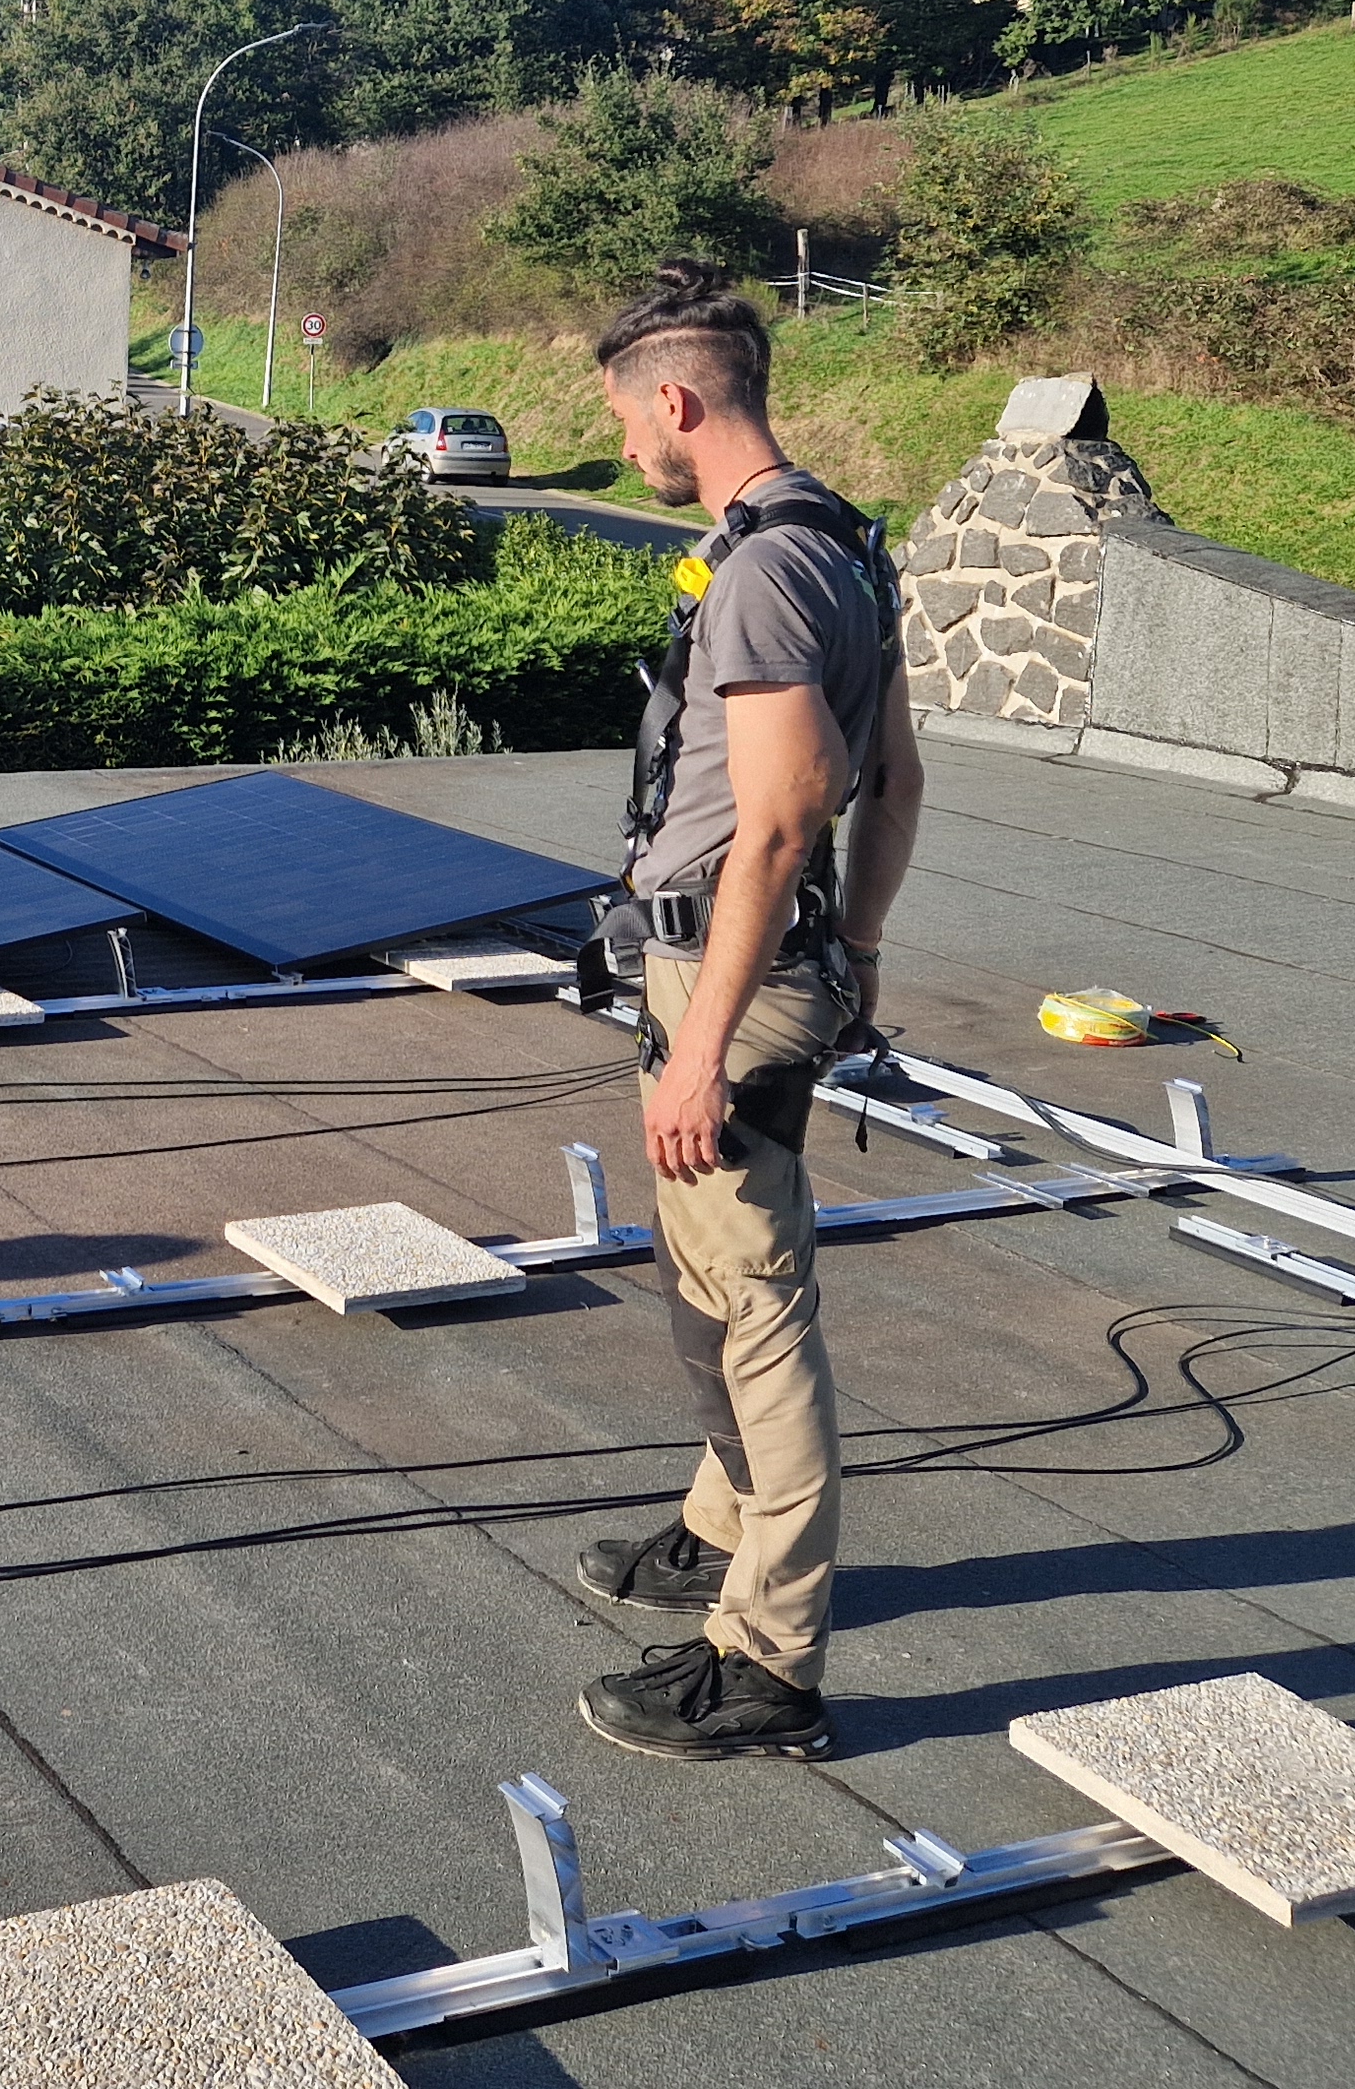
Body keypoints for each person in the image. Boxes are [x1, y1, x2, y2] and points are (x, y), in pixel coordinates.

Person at [567, 262, 922, 1763]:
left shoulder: (767, 570)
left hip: (730, 975)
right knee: (715, 1279)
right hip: (783, 965)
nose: (633, 449)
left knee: (756, 1307)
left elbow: (783, 816)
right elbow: (893, 778)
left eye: (628, 422)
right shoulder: (838, 541)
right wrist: (867, 950)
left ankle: (768, 1660)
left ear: (677, 398)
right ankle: (720, 1534)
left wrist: (699, 1046)